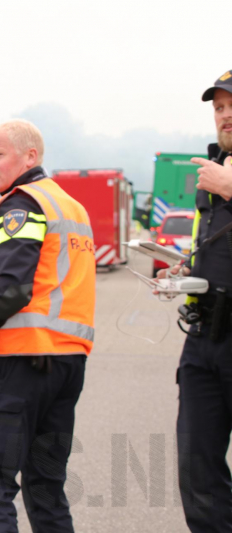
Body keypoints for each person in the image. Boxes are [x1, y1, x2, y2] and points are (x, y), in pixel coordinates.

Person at [0, 119, 95, 533]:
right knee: (46, 489)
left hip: (22, 365)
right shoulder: (70, 205)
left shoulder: (21, 205)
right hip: (67, 363)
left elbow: (14, 288)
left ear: (30, 156)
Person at [161, 69, 232, 533]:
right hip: (206, 335)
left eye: (231, 106)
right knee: (197, 469)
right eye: (219, 108)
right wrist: (183, 274)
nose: (224, 116)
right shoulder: (211, 172)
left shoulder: (221, 178)